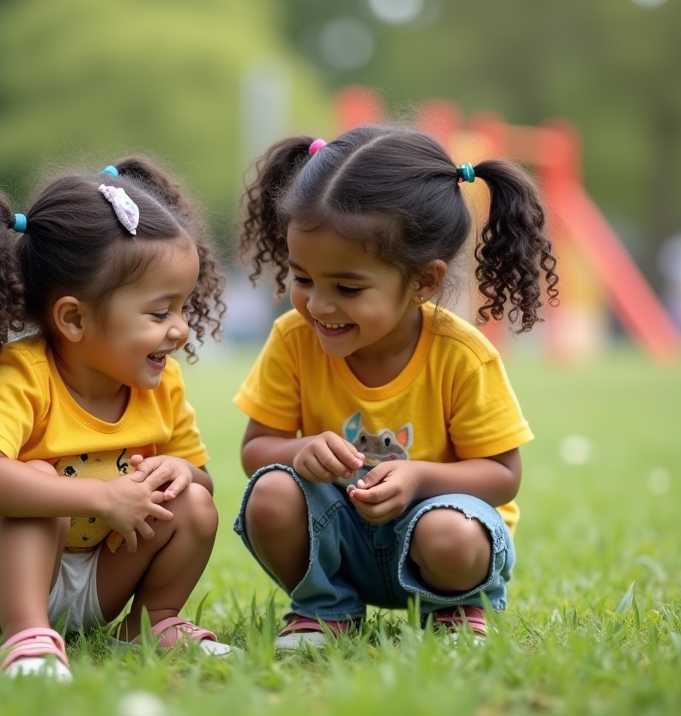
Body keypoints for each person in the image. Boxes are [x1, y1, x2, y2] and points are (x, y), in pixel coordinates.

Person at [0, 159, 230, 681]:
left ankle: (153, 622)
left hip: (99, 572)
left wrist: (182, 473)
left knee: (192, 503)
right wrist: (102, 497)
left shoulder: (159, 382)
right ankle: (27, 636)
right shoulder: (21, 373)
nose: (181, 330)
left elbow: (201, 478)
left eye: (183, 308)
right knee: (35, 483)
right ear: (74, 319)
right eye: (160, 313)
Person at [232, 129, 559, 649]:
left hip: (439, 537)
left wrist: (418, 480)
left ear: (424, 282)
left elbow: (502, 475)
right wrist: (300, 450)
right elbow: (256, 451)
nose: (318, 305)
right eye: (303, 278)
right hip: (337, 536)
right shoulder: (293, 340)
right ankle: (326, 609)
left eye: (347, 287)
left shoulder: (460, 355)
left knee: (448, 535)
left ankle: (454, 611)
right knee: (270, 493)